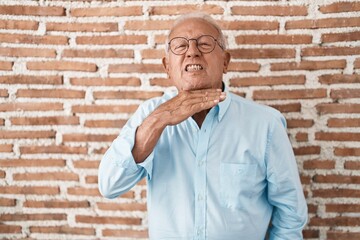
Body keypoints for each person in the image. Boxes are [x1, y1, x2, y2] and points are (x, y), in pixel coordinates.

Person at [98, 12, 308, 240]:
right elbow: (110, 185)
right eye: (180, 46)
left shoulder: (265, 123)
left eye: (205, 44)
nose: (192, 51)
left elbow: (290, 211)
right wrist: (159, 120)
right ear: (167, 67)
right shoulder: (149, 115)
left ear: (226, 61)